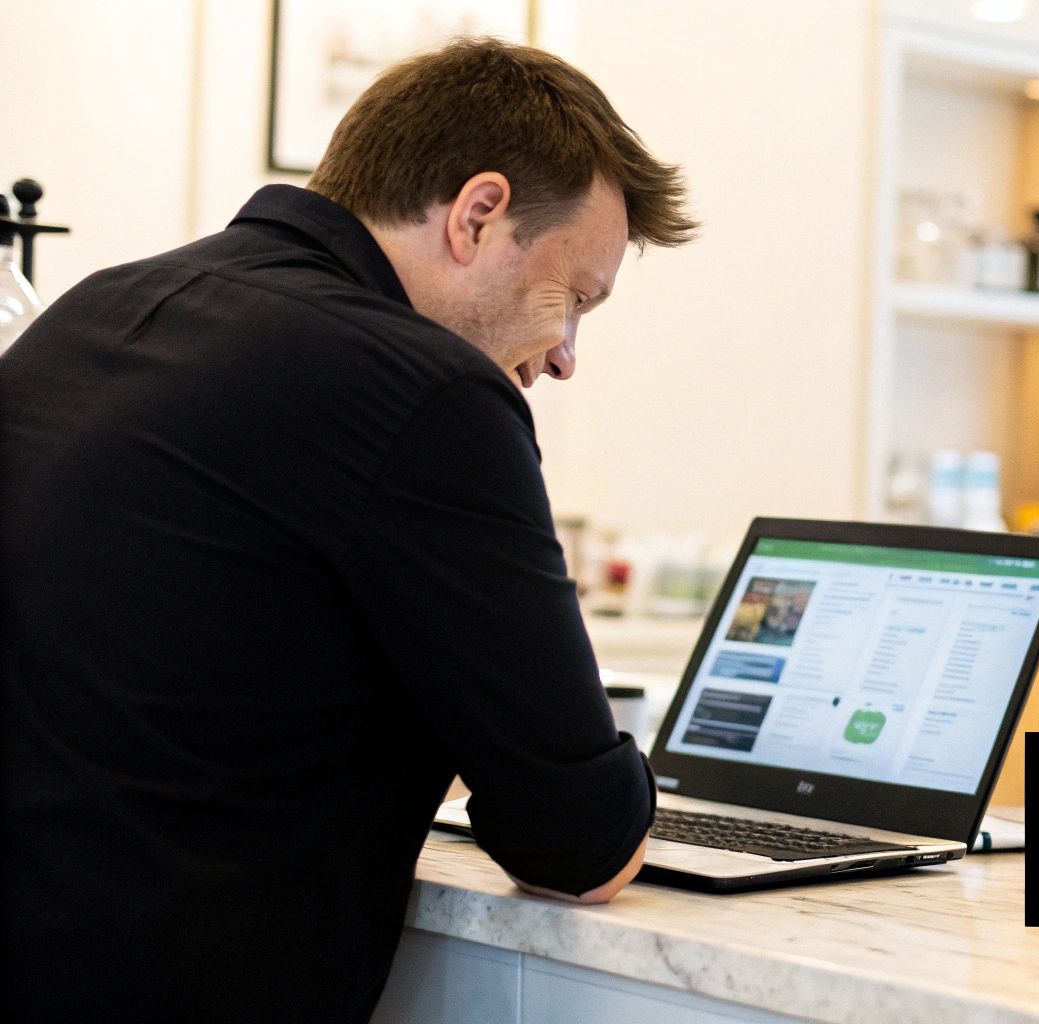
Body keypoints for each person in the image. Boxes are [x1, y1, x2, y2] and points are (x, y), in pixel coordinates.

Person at [0, 39, 696, 1021]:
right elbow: (579, 842)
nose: (567, 355)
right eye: (574, 297)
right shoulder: (429, 393)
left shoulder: (102, 306)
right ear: (479, 212)